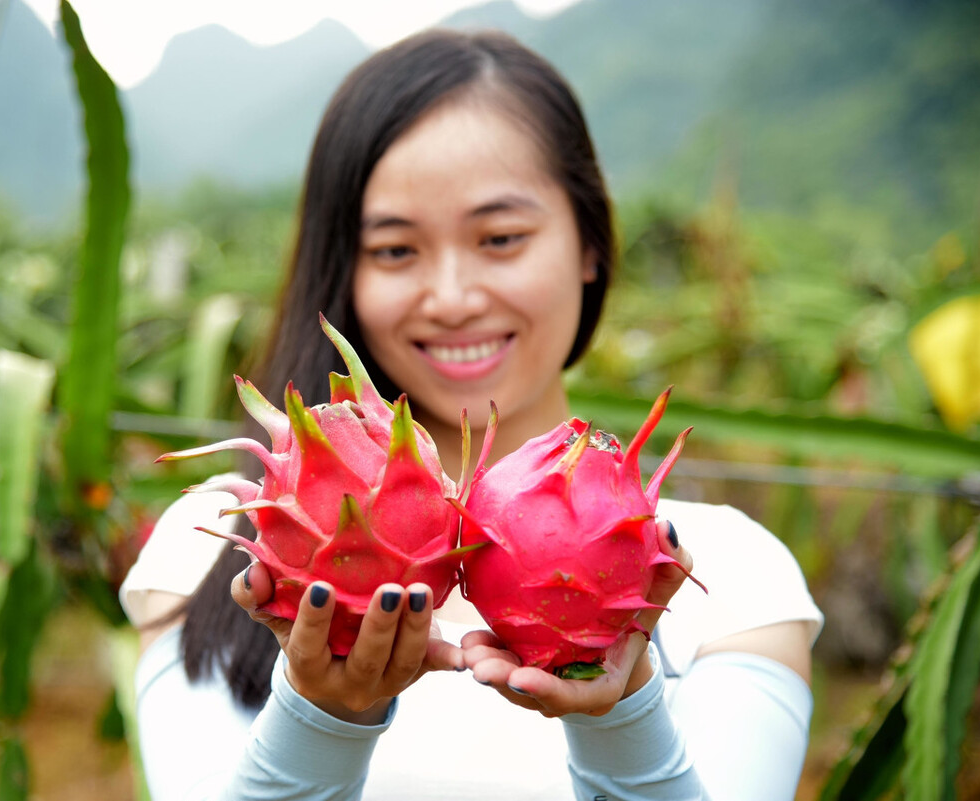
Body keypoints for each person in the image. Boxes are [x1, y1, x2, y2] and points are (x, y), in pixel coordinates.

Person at [121, 28, 823, 801]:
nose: (452, 297)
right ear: (342, 268)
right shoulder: (226, 544)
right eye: (395, 250)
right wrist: (320, 716)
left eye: (500, 238)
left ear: (591, 242)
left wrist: (623, 712)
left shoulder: (730, 571)